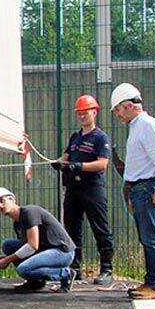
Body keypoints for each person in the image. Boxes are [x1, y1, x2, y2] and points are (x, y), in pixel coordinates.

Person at [109, 83, 155, 300]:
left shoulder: (147, 125)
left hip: (147, 187)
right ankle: (152, 281)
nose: (117, 114)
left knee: (150, 236)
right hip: (140, 188)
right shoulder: (138, 126)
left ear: (128, 106)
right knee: (147, 237)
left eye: (118, 109)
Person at [51, 95, 115, 285]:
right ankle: (74, 268)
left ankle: (106, 269)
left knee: (100, 228)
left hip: (92, 188)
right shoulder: (75, 137)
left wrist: (78, 166)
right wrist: (59, 163)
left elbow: (102, 164)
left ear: (94, 112)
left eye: (85, 112)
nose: (82, 116)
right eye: (79, 113)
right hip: (73, 188)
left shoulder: (100, 137)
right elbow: (66, 156)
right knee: (71, 228)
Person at [0, 187, 76, 294]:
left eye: (1, 201)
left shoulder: (29, 212)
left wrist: (7, 260)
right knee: (8, 245)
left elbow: (32, 246)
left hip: (62, 252)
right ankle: (36, 282)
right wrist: (1, 258)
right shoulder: (17, 223)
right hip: (46, 250)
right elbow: (26, 249)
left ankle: (66, 273)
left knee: (24, 269)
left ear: (12, 199)